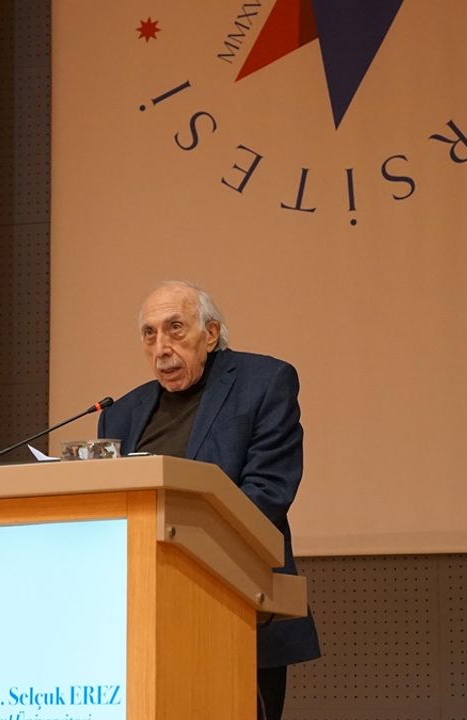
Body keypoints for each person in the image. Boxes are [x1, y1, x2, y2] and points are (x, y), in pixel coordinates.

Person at [98, 280, 321, 720]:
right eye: (149, 334)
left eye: (175, 328)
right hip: (143, 618)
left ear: (211, 333)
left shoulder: (264, 382)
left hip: (236, 606)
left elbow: (267, 494)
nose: (161, 348)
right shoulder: (120, 414)